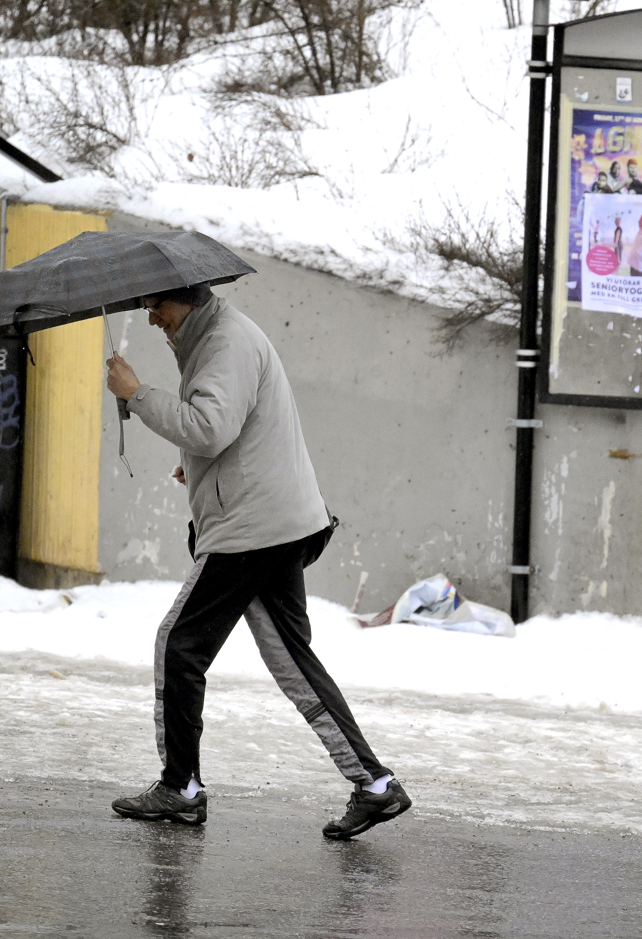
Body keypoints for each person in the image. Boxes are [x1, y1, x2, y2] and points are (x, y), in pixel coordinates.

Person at [104, 283, 410, 839]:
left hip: (252, 529)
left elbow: (210, 427)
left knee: (179, 644)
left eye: (157, 306)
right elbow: (228, 432)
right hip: (274, 522)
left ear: (189, 298)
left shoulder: (225, 342)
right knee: (292, 660)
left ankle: (180, 787)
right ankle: (374, 785)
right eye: (146, 307)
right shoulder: (215, 338)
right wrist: (195, 468)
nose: (151, 319)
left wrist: (136, 393)